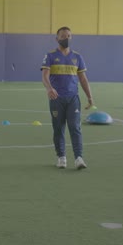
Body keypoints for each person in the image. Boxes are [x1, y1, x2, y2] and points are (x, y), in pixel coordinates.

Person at [41, 26, 94, 170]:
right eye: (63, 36)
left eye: (69, 36)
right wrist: (49, 88)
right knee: (58, 129)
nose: (66, 38)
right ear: (57, 39)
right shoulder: (50, 56)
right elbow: (45, 76)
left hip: (72, 99)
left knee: (75, 128)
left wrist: (89, 97)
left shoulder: (77, 57)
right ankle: (61, 157)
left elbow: (83, 79)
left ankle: (79, 158)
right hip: (56, 99)